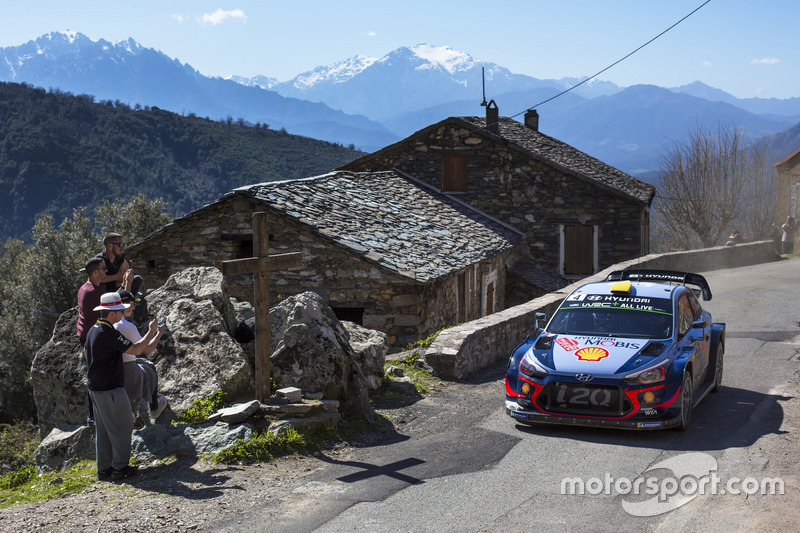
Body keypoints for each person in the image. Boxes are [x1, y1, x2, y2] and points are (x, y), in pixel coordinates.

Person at [85, 292, 164, 481]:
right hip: (110, 387)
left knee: (104, 430)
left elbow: (86, 353)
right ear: (112, 313)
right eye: (120, 310)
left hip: (95, 386)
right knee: (124, 425)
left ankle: (103, 469)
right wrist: (152, 331)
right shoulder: (108, 333)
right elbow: (137, 350)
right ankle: (120, 467)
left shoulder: (93, 329)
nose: (123, 313)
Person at [114, 290, 168, 421]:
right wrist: (157, 332)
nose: (133, 307)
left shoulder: (109, 324)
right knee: (150, 367)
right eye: (131, 304)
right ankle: (154, 407)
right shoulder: (126, 327)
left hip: (114, 368)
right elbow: (147, 350)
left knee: (142, 362)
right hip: (127, 371)